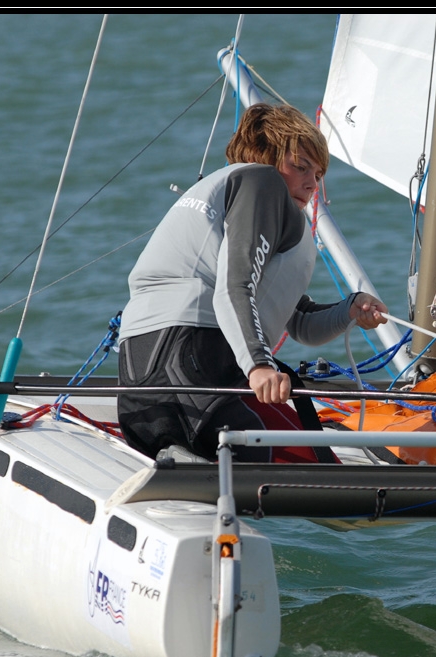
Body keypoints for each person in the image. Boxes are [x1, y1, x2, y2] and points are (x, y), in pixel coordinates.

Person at [117, 103, 388, 462]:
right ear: (266, 157)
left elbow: (300, 322)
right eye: (300, 166)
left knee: (318, 462)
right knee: (297, 468)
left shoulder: (234, 192)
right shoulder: (262, 182)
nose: (311, 183)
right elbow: (235, 287)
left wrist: (349, 310)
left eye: (319, 174)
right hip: (191, 368)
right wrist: (259, 365)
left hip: (141, 387)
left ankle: (185, 459)